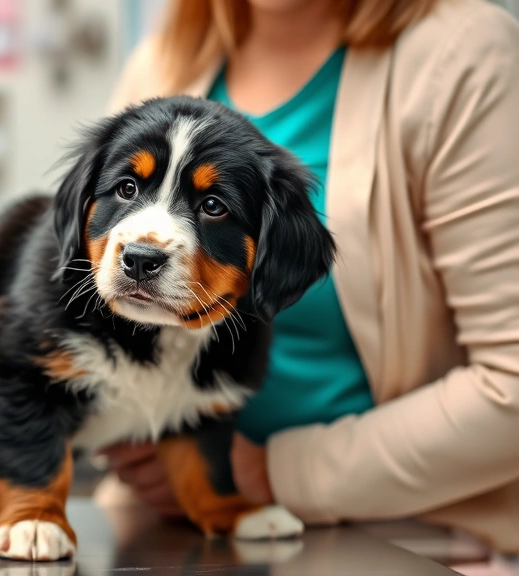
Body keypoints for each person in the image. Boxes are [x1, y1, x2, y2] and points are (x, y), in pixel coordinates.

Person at [98, 0, 519, 553]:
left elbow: (511, 387)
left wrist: (267, 472)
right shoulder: (164, 61)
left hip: (399, 539)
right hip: (167, 526)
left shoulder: (462, 56)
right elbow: (77, 271)